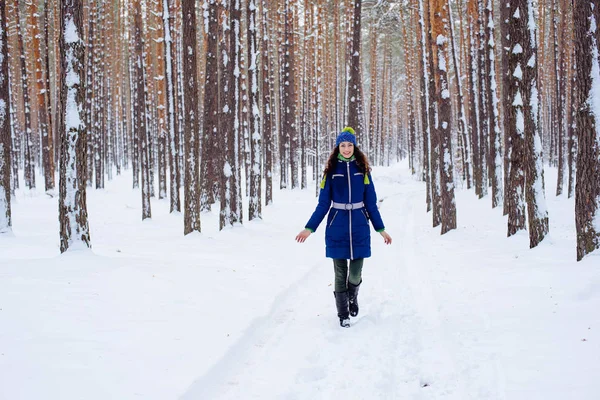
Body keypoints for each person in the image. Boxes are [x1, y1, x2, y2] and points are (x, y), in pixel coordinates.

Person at [295, 127, 392, 328]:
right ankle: (343, 314)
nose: (346, 149)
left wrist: (381, 229)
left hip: (359, 226)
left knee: (355, 273)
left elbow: (371, 203)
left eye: (349, 145)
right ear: (337, 147)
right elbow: (323, 204)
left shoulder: (363, 170)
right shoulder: (330, 171)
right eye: (342, 145)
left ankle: (352, 297)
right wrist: (309, 228)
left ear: (354, 146)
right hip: (336, 226)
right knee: (340, 274)